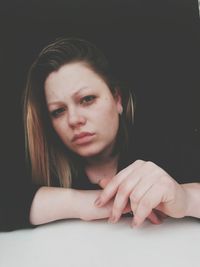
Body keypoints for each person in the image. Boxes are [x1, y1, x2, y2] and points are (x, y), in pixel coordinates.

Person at [21, 37, 200, 229]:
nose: (73, 120)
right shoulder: (44, 167)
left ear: (117, 100)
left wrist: (186, 198)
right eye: (58, 111)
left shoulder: (167, 145)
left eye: (87, 99)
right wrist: (86, 202)